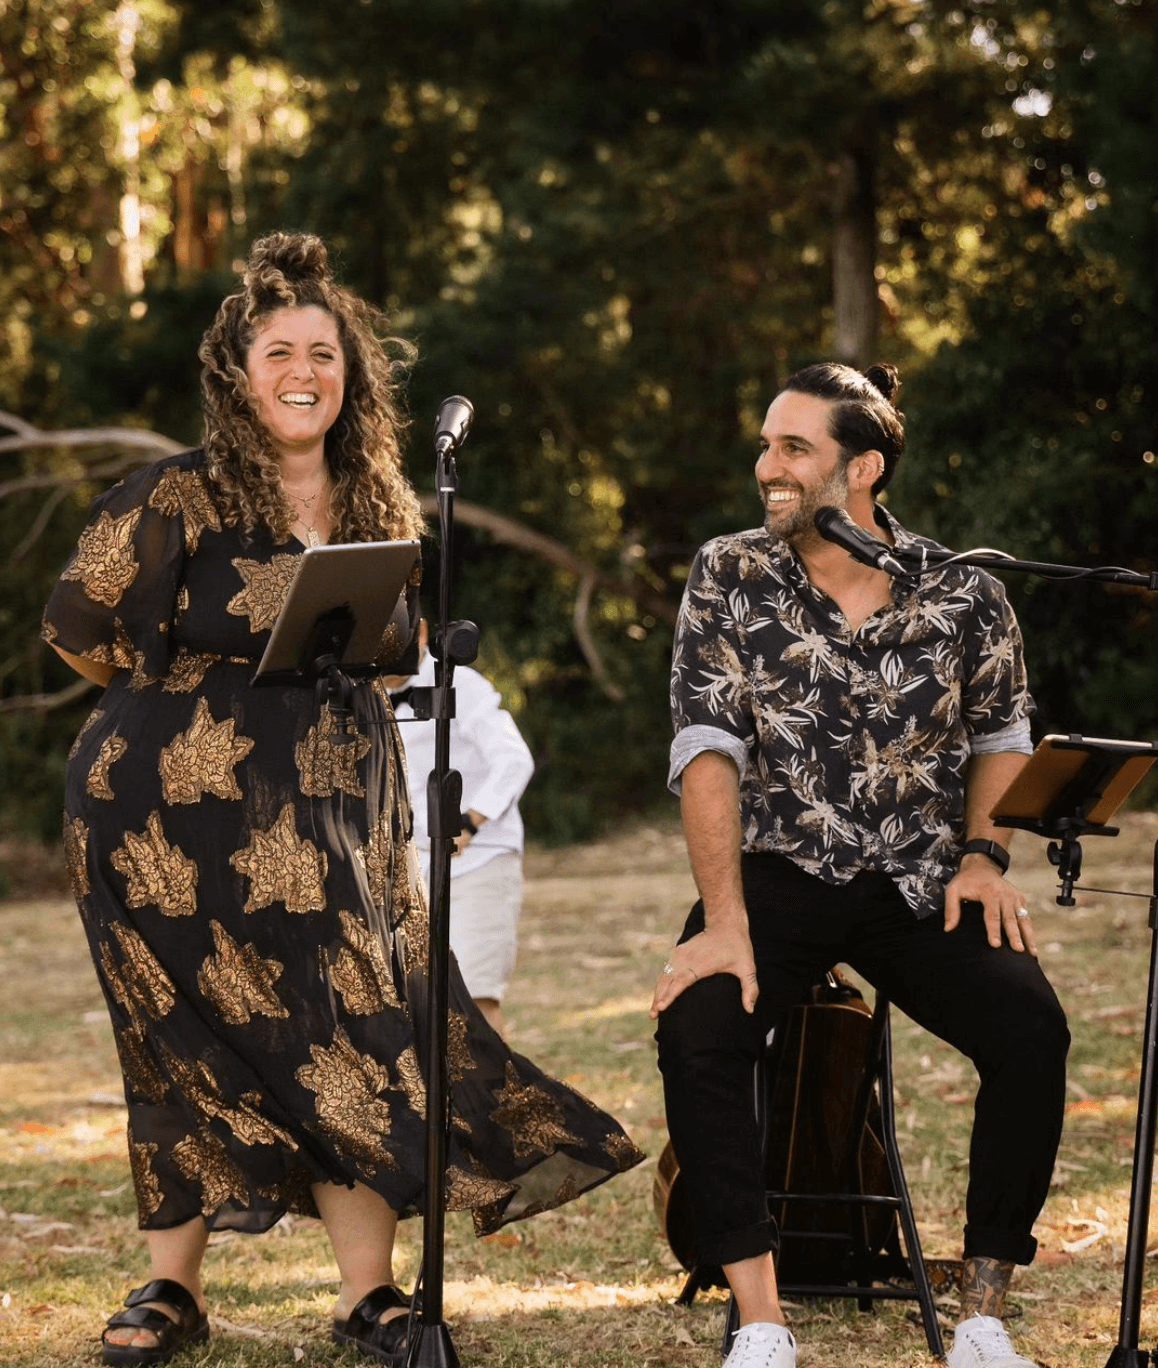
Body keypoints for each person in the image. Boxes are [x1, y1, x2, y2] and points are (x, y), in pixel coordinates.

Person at [42, 231, 643, 1368]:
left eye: (323, 350)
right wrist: (182, 709)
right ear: (239, 370)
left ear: (350, 372)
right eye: (278, 351)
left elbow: (389, 655)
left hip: (327, 819)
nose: (302, 370)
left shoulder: (380, 496)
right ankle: (172, 1291)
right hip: (157, 829)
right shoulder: (177, 492)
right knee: (176, 1039)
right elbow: (76, 629)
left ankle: (367, 1297)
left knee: (350, 1024)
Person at [650, 362, 1069, 1368]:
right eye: (765, 445)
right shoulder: (730, 573)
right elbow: (705, 746)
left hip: (920, 881)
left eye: (794, 448)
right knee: (699, 1025)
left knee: (1032, 1032)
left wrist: (982, 855)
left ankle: (981, 1314)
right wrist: (723, 919)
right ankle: (760, 1319)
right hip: (779, 869)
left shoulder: (965, 591)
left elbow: (1003, 729)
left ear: (864, 467)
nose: (768, 468)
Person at [384, 621, 535, 1037]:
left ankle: (495, 1103)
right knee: (416, 1010)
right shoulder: (363, 699)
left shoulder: (461, 684)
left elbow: (513, 760)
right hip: (409, 874)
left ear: (420, 632)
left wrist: (468, 821)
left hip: (479, 863)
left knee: (473, 1003)